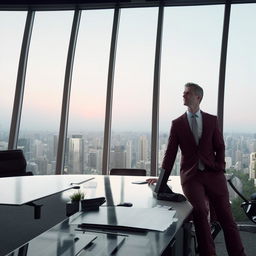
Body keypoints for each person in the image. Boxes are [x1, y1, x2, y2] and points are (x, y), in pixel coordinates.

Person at [147, 82, 246, 256]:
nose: (183, 95)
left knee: (227, 218)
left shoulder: (211, 120)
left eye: (187, 93)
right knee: (200, 213)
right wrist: (161, 180)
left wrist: (220, 166)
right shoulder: (177, 123)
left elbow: (220, 146)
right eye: (183, 92)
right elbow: (170, 154)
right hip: (192, 177)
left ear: (197, 97)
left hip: (214, 175)